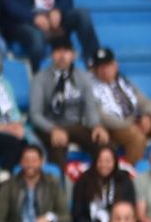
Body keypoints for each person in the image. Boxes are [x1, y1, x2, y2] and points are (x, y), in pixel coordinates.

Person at [28, 37, 109, 167]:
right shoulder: (40, 78)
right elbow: (35, 114)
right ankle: (61, 184)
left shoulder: (82, 77)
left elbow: (90, 108)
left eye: (66, 51)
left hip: (75, 125)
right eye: (57, 51)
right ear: (51, 55)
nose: (62, 56)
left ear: (74, 55)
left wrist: (96, 126)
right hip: (49, 125)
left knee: (104, 144)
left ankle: (98, 184)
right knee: (58, 149)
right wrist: (52, 129)